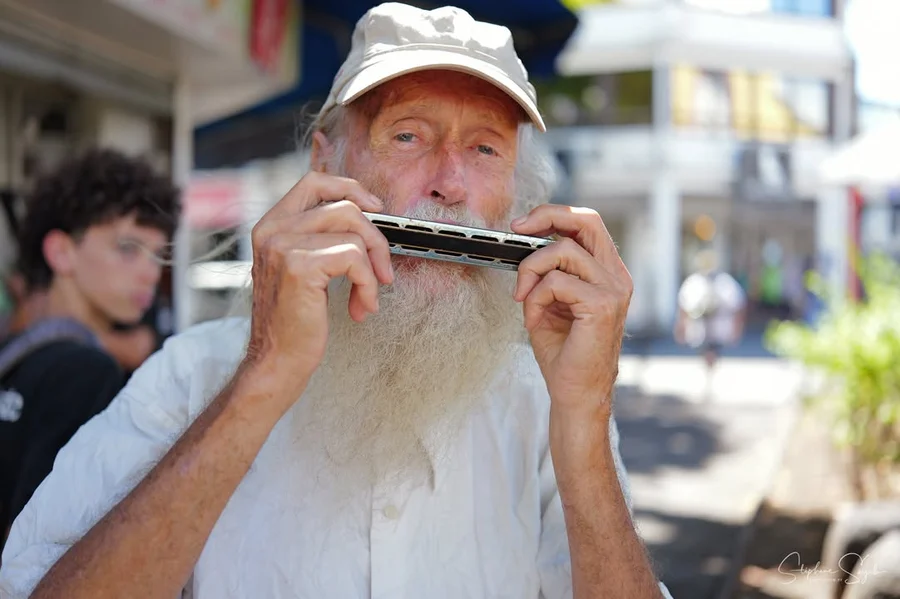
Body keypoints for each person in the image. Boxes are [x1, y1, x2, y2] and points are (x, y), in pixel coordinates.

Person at [0, 4, 672, 598]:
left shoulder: (546, 406)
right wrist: (263, 375)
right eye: (408, 135)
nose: (450, 183)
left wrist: (585, 418)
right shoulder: (191, 379)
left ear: (517, 203)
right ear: (327, 166)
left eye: (485, 147)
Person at [0, 149, 180, 544]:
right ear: (62, 252)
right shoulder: (86, 371)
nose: (150, 272)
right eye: (129, 249)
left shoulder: (17, 356)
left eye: (158, 255)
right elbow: (38, 551)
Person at [675, 249, 748, 381]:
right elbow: (684, 308)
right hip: (700, 329)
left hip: (718, 329)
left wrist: (736, 329)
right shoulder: (694, 282)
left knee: (713, 355)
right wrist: (682, 328)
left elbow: (738, 306)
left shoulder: (724, 282)